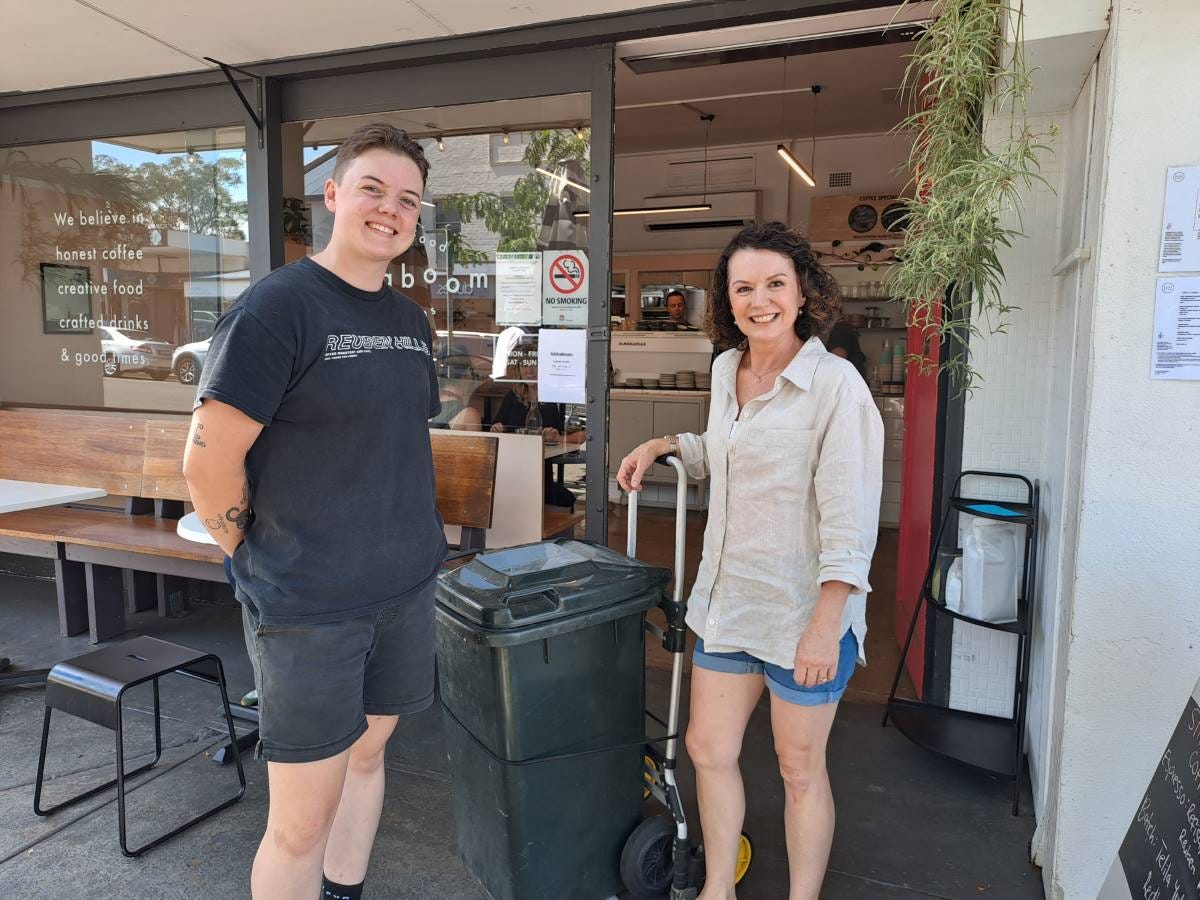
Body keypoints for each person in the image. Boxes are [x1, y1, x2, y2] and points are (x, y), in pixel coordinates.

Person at [183, 123, 445, 900]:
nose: (390, 210)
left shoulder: (408, 321)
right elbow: (206, 460)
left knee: (368, 760)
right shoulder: (276, 309)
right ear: (333, 195)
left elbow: (389, 443)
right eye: (373, 188)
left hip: (403, 591)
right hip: (308, 607)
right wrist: (256, 554)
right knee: (298, 823)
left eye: (408, 200)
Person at [617, 222, 883, 900]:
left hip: (803, 614)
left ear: (801, 295)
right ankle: (717, 891)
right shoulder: (725, 369)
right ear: (726, 300)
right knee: (709, 750)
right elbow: (719, 452)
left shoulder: (835, 387)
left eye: (773, 285)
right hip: (728, 604)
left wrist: (829, 622)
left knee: (800, 771)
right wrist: (663, 446)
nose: (758, 299)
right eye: (743, 287)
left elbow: (852, 520)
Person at [489, 379, 585, 508]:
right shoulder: (512, 396)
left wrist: (556, 438)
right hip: (510, 470)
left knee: (561, 497)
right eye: (524, 365)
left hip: (539, 472)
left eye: (532, 365)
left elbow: (578, 436)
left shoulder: (550, 399)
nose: (528, 370)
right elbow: (497, 427)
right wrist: (499, 428)